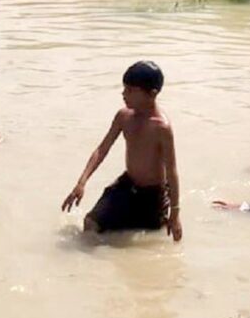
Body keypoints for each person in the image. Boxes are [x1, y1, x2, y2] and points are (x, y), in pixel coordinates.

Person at [61, 61, 183, 240]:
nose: (124, 94)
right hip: (127, 185)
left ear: (152, 94)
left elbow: (171, 171)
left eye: (131, 90)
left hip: (153, 194)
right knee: (90, 225)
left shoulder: (161, 128)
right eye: (124, 89)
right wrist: (81, 183)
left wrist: (175, 213)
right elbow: (102, 150)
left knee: (142, 241)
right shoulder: (123, 116)